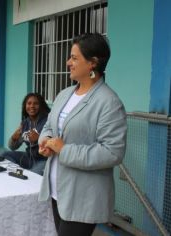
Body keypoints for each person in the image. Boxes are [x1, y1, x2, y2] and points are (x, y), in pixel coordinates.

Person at [38, 33, 127, 236]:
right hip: (56, 190)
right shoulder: (65, 94)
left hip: (83, 196)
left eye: (74, 58)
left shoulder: (109, 102)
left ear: (93, 63)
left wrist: (64, 150)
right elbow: (50, 126)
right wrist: (45, 141)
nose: (68, 62)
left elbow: (112, 152)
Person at [0, 93, 50, 175]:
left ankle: (25, 174)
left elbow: (54, 142)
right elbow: (12, 147)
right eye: (29, 103)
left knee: (33, 175)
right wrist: (13, 138)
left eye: (36, 103)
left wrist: (39, 138)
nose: (32, 106)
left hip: (44, 160)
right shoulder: (25, 123)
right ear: (25, 106)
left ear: (41, 105)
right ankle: (20, 173)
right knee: (4, 155)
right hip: (28, 158)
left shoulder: (48, 120)